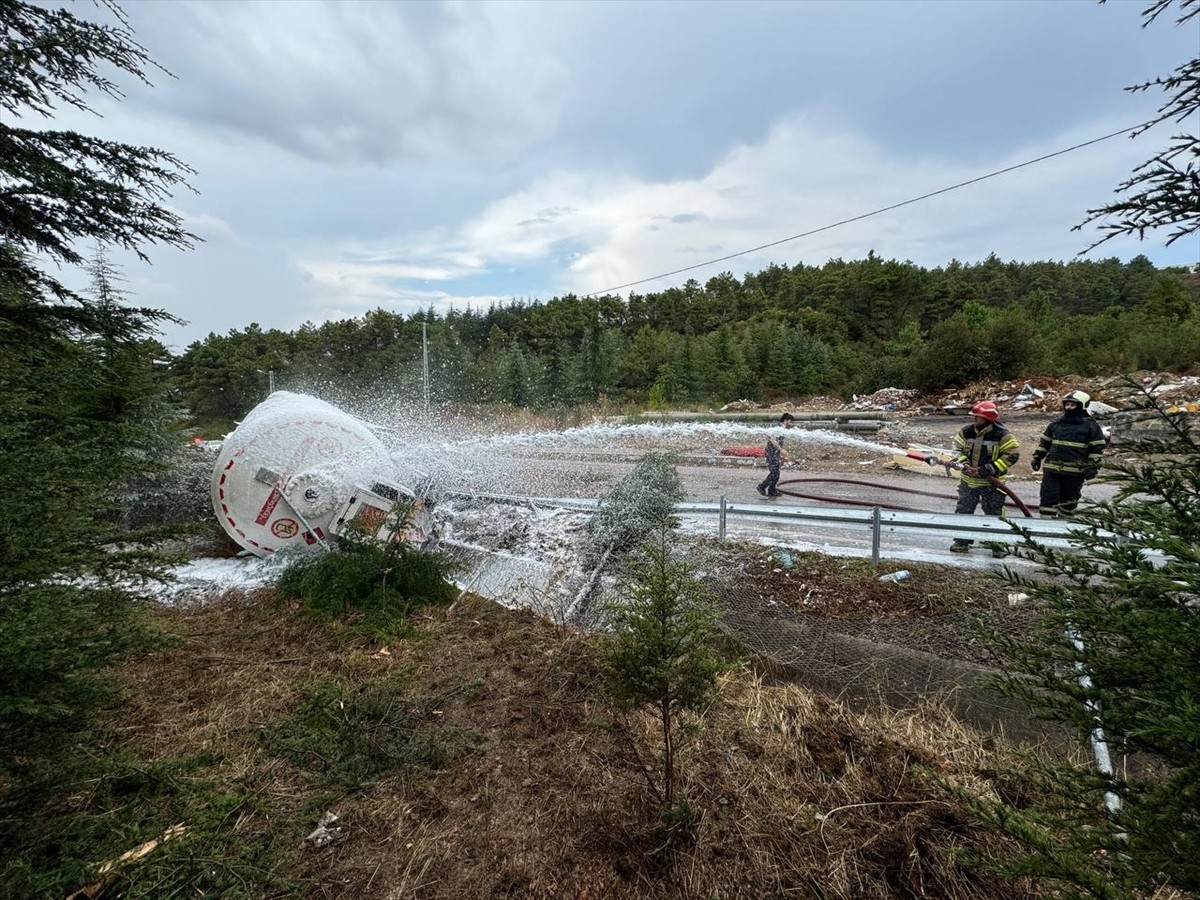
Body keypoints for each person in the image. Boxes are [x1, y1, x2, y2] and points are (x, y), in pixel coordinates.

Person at [949, 400, 1020, 555]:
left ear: (988, 418)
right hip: (968, 481)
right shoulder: (966, 432)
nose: (974, 419)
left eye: (978, 416)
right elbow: (957, 450)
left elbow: (1012, 455)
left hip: (992, 483)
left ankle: (998, 545)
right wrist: (964, 463)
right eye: (974, 416)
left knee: (994, 513)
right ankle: (961, 542)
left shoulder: (1003, 435)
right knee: (963, 511)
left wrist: (988, 469)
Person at [1030, 389, 1107, 518]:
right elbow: (1045, 443)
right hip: (1052, 471)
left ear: (1082, 406)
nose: (1069, 408)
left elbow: (1096, 449)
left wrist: (1092, 467)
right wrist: (1037, 457)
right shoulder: (1056, 424)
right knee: (1048, 501)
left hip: (1075, 473)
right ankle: (1044, 529)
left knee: (1068, 504)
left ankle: (1063, 530)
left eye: (1073, 405)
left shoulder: (1091, 426)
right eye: (1067, 405)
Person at [757, 412, 795, 498]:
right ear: (786, 420)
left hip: (775, 453)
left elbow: (779, 442)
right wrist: (781, 450)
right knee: (774, 473)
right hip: (770, 452)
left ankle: (772, 490)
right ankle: (762, 486)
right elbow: (771, 439)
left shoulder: (782, 429)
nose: (791, 424)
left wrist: (780, 454)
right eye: (791, 422)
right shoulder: (777, 427)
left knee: (776, 473)